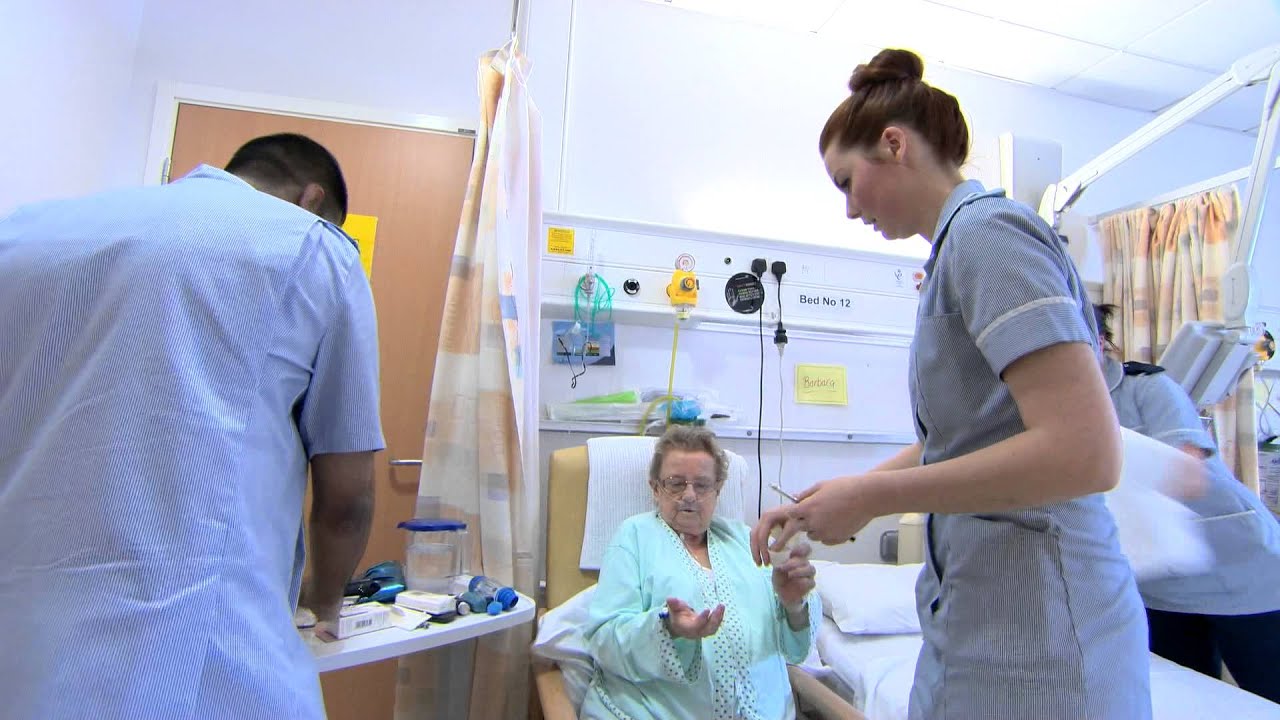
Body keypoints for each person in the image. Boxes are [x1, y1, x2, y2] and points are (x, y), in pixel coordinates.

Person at [752, 49, 1151, 718]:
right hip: (981, 622)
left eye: (847, 182)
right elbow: (968, 438)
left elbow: (1088, 453)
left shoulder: (990, 237)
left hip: (1048, 638)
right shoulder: (955, 256)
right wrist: (845, 493)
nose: (849, 209)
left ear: (894, 144)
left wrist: (874, 496)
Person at [0, 133, 384, 719]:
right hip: (202, 668)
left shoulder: (23, 234)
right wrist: (322, 606)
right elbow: (346, 501)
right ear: (312, 198)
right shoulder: (313, 246)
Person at [1095, 303, 1280, 702]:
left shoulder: (1144, 387)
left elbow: (1188, 475)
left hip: (1240, 571)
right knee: (1188, 700)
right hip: (1161, 587)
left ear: (1100, 342)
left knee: (1267, 691)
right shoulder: (1051, 407)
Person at [582, 426, 822, 719]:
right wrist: (668, 629)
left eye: (702, 485)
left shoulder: (748, 543)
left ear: (718, 490)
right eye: (675, 483)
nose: (690, 496)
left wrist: (793, 604)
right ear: (655, 488)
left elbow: (794, 650)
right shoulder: (634, 537)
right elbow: (604, 638)